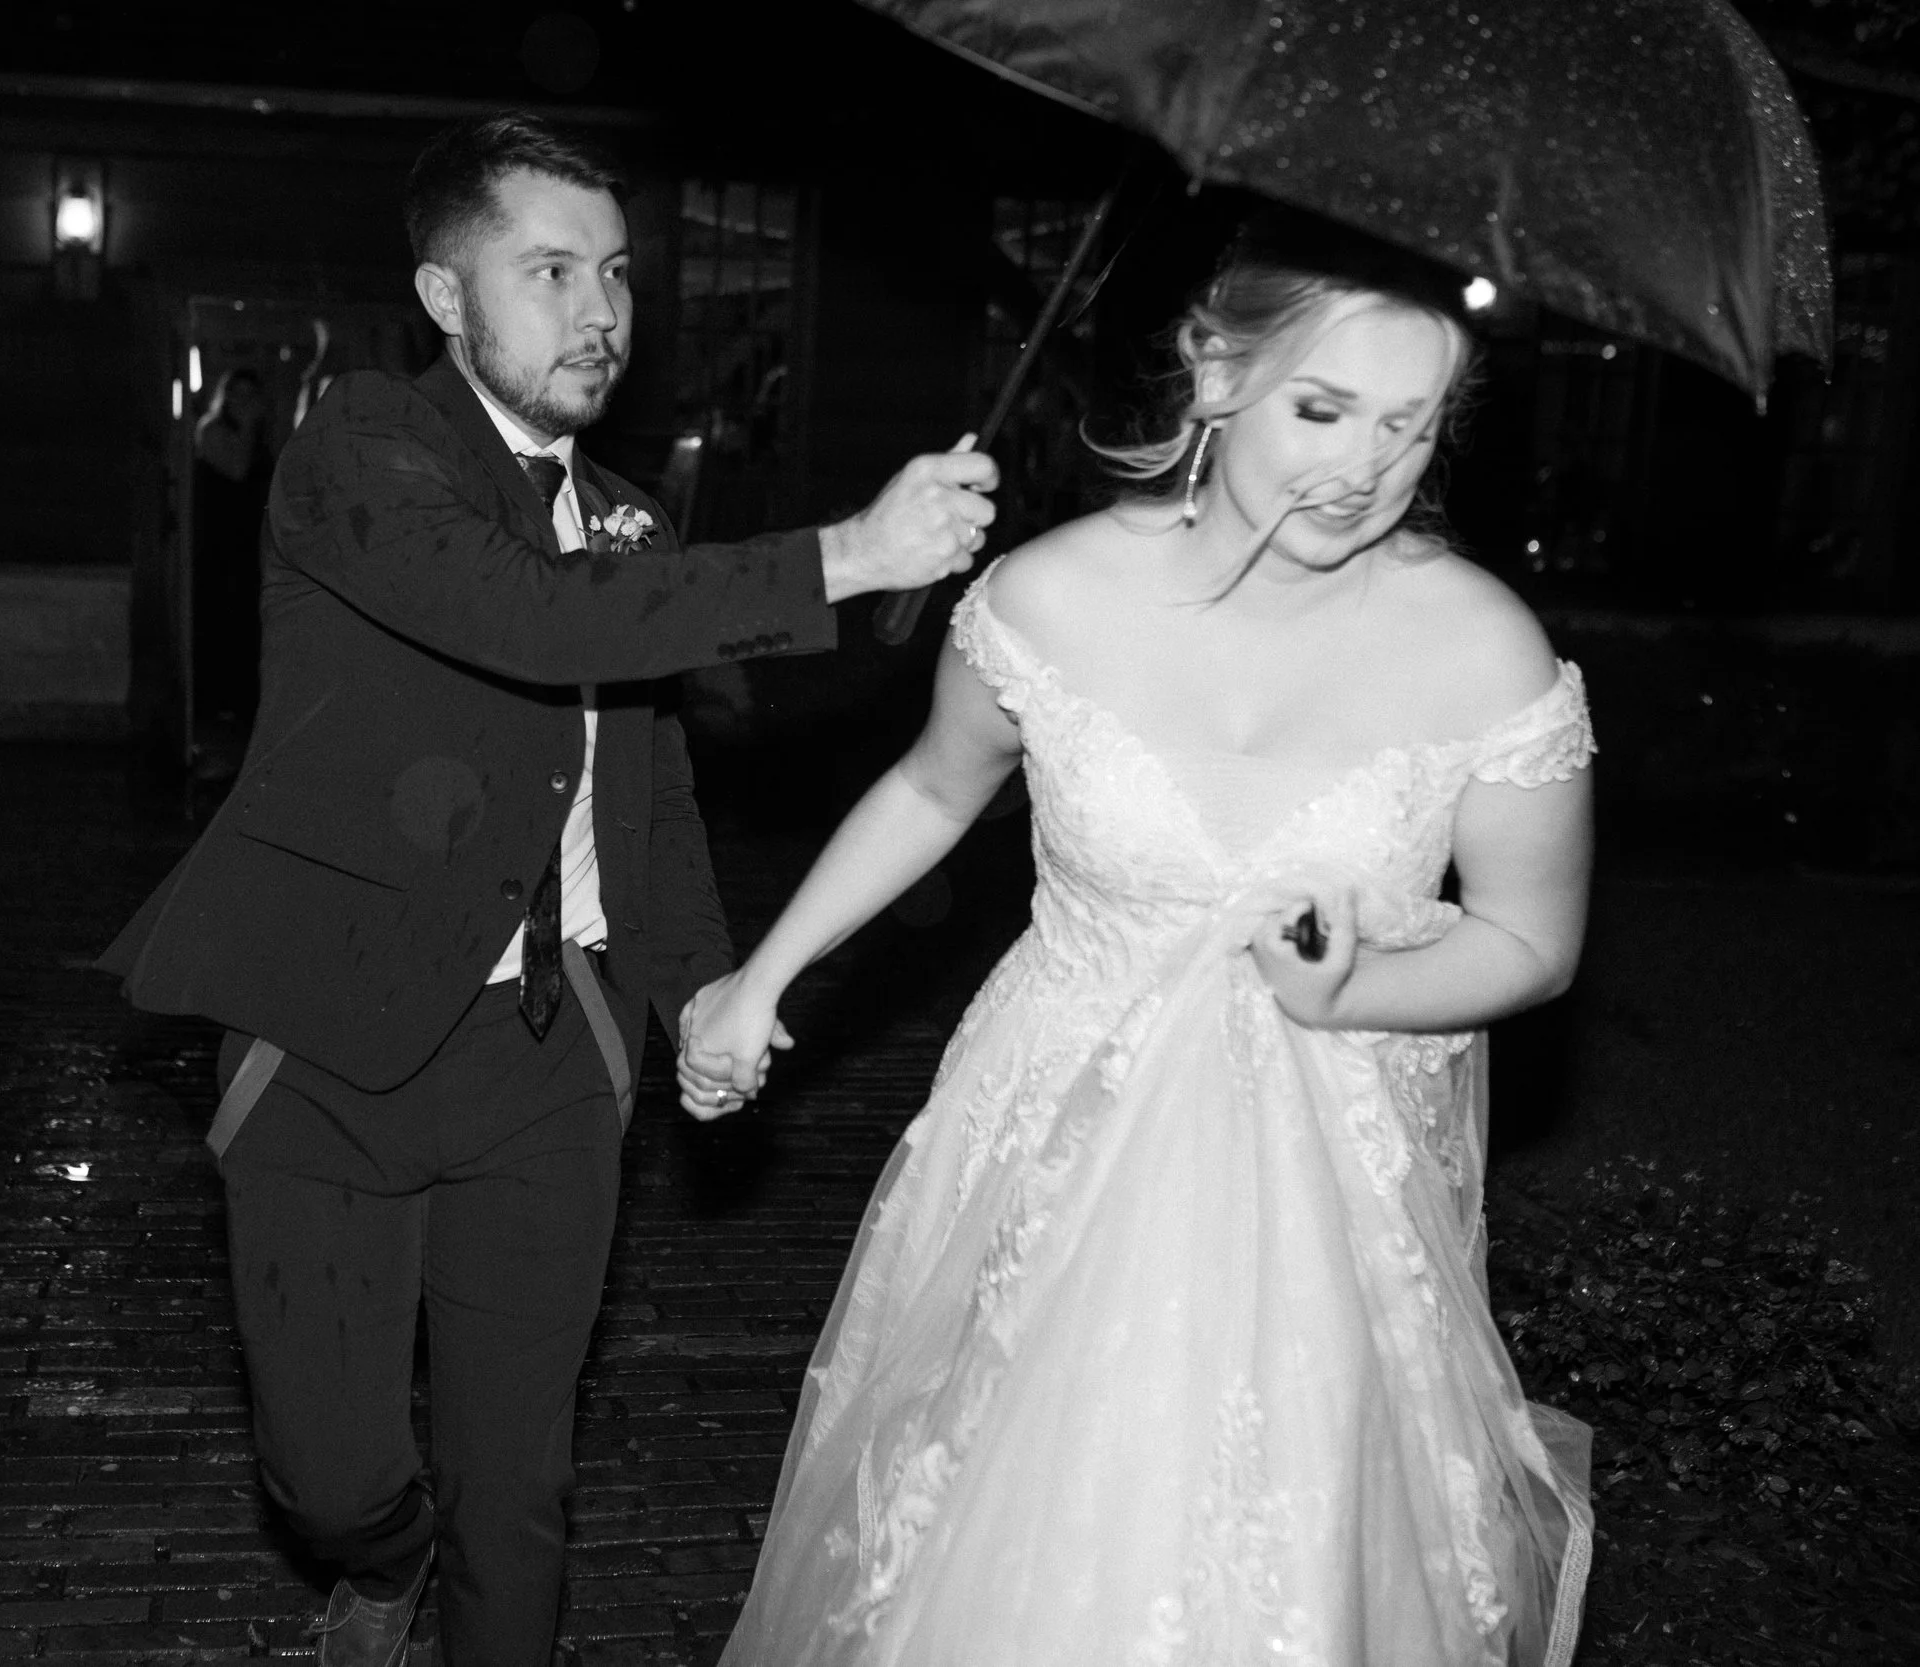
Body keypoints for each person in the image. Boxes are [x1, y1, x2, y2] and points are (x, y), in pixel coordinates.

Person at [95, 113, 998, 1667]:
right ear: (448, 296)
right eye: (553, 270)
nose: (601, 311)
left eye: (620, 274)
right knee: (326, 1469)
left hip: (550, 1057)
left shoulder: (636, 520)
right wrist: (841, 556)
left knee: (517, 1479)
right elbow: (525, 614)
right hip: (329, 1038)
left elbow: (652, 794)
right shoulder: (361, 451)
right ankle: (382, 1553)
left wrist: (697, 990)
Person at [680, 228, 1597, 1664]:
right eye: (1324, 410)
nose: (1366, 467)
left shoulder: (1484, 648)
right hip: (1049, 1149)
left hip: (1321, 1207)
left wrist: (1358, 987)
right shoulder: (1048, 599)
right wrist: (764, 973)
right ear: (1216, 373)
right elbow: (932, 789)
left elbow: (1532, 941)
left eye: (1409, 426)